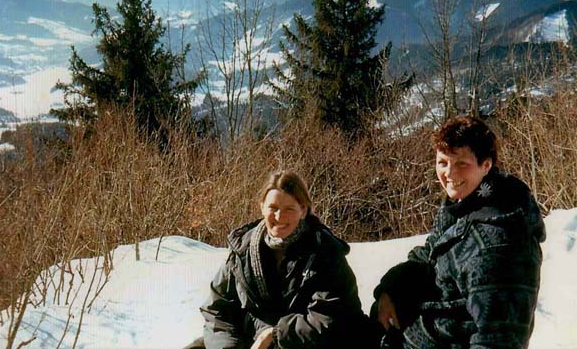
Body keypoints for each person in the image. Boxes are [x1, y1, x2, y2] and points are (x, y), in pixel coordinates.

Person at [370, 115, 546, 349]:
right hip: (421, 331)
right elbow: (431, 254)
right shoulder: (466, 203)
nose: (449, 174)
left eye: (462, 164)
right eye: (443, 162)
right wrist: (391, 288)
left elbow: (498, 339)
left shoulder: (498, 243)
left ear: (486, 164)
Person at [191, 170, 367, 349]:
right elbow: (217, 310)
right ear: (262, 207)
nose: (279, 216)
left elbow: (329, 319)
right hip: (254, 339)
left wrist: (275, 335)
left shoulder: (325, 253)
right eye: (273, 207)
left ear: (303, 210)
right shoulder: (243, 252)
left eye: (289, 209)